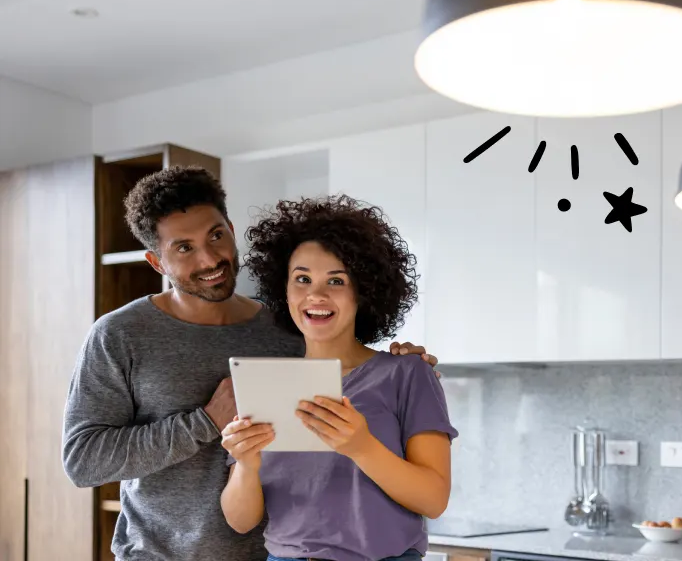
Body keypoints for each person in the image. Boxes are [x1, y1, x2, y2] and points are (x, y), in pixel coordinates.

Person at [61, 166, 442, 561]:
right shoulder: (120, 335)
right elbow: (82, 460)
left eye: (216, 235)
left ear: (229, 227)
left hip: (269, 553)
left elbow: (354, 368)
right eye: (184, 248)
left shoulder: (287, 329)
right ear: (157, 262)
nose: (210, 259)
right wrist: (205, 421)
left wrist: (408, 364)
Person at [219, 194, 458, 561]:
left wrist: (361, 446)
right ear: (284, 289)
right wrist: (247, 465)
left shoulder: (407, 373)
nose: (315, 294)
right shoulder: (265, 383)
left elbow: (434, 499)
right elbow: (240, 521)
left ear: (363, 291)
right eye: (302, 278)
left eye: (336, 280)